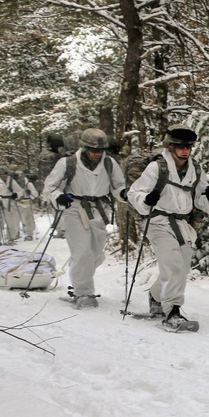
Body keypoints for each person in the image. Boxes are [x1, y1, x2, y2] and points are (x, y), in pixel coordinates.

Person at [126, 124, 209, 331]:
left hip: (182, 224)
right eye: (180, 146)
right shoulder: (157, 167)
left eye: (189, 146)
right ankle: (173, 312)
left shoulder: (195, 169)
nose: (185, 150)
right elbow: (134, 194)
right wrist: (146, 199)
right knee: (175, 267)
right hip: (157, 221)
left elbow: (201, 197)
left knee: (182, 269)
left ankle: (156, 297)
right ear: (170, 147)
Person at [42, 128, 127, 309]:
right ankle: (83, 293)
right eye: (93, 150)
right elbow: (50, 187)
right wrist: (59, 197)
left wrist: (124, 194)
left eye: (100, 150)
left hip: (99, 209)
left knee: (96, 254)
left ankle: (79, 280)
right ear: (84, 147)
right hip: (74, 208)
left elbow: (118, 186)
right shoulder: (68, 163)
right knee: (82, 252)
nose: (97, 154)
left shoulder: (110, 163)